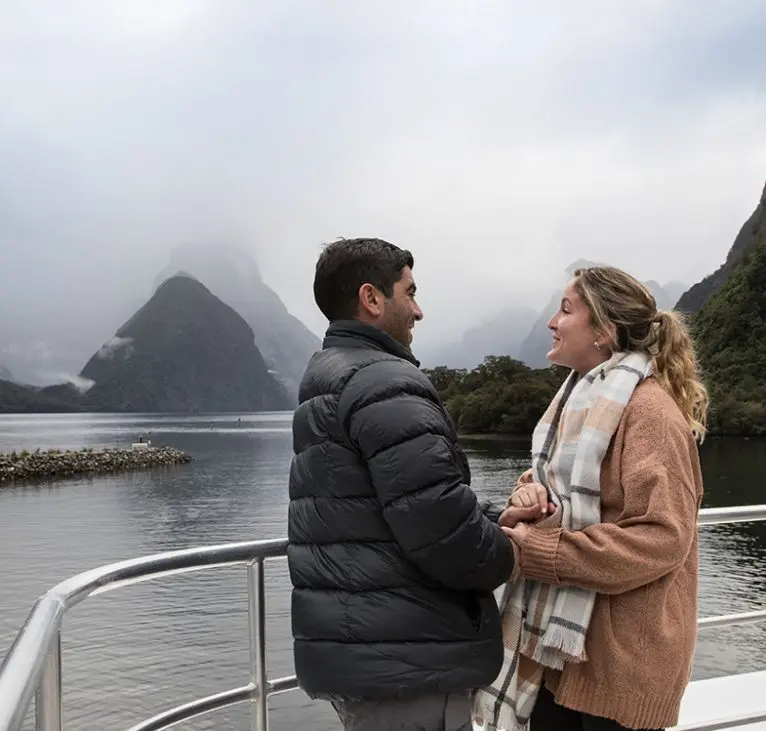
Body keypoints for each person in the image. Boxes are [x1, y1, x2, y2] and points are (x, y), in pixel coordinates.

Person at [287, 238, 540, 731]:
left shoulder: (327, 375)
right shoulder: (382, 380)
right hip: (410, 663)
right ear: (373, 298)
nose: (419, 310)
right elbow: (440, 528)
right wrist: (514, 551)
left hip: (366, 652)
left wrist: (492, 517)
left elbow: (384, 504)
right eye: (410, 292)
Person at [474, 265, 708, 731]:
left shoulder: (649, 413)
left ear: (604, 331)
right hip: (559, 649)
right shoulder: (578, 403)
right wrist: (530, 493)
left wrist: (537, 550)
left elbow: (662, 538)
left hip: (620, 662)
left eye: (565, 310)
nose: (552, 322)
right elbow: (561, 483)